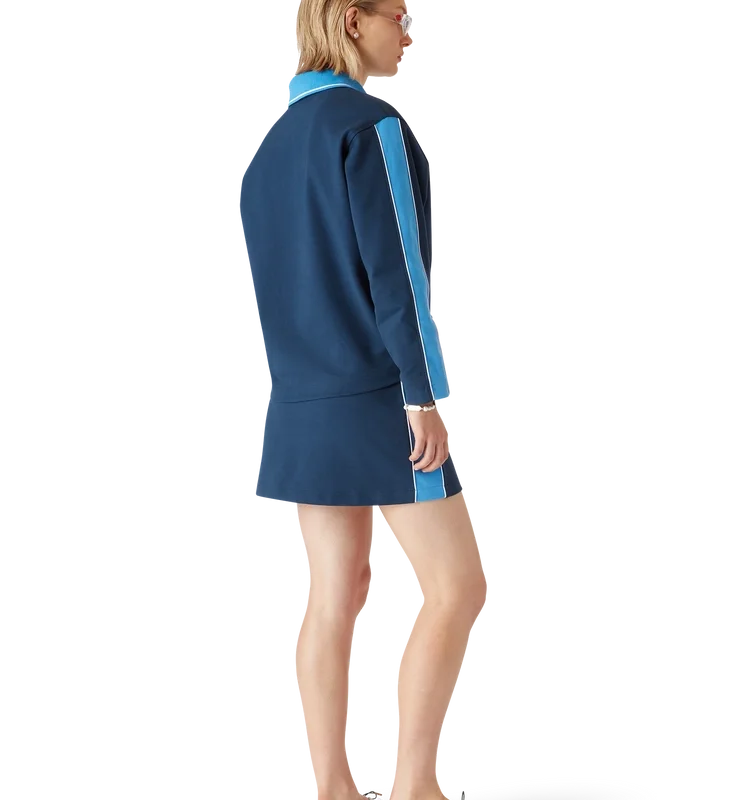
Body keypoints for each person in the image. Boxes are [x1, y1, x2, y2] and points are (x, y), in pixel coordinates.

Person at [238, 2, 489, 798]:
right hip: (377, 400)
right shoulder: (369, 126)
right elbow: (400, 276)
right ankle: (415, 788)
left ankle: (333, 789)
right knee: (456, 586)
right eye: (398, 19)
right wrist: (426, 394)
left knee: (332, 597)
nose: (408, 35)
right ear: (352, 20)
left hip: (299, 405)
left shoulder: (268, 149)